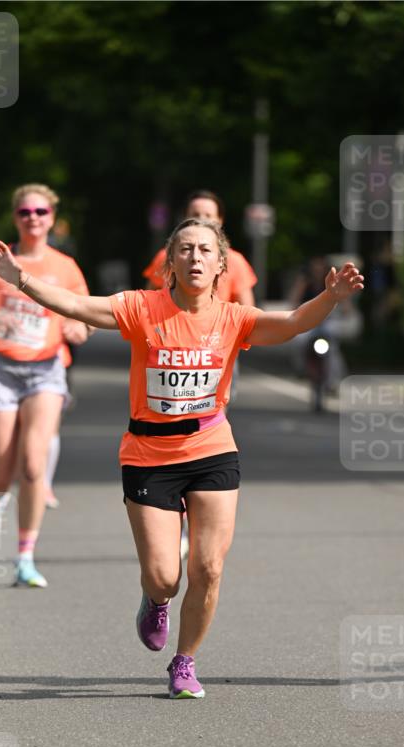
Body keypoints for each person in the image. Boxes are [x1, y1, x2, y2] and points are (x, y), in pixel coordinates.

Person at [0, 218, 363, 697]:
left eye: (205, 250)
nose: (195, 257)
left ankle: (185, 662)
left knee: (209, 568)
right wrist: (21, 278)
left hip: (212, 449)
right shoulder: (142, 307)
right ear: (170, 262)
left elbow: (291, 324)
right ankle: (156, 599)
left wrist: (329, 297)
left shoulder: (233, 318)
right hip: (148, 454)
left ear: (221, 264)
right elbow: (79, 305)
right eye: (185, 249)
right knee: (165, 576)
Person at [0, 183, 91, 588]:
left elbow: (84, 315)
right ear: (16, 218)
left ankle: (25, 559)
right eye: (25, 212)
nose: (33, 218)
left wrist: (78, 328)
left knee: (34, 465)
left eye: (40, 211)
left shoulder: (65, 267)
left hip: (45, 370)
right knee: (0, 471)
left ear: (52, 217)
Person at [145, 189, 257, 556]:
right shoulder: (169, 255)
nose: (204, 219)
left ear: (221, 222)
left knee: (207, 425)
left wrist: (236, 332)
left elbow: (249, 307)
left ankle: (200, 511)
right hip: (171, 355)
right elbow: (148, 302)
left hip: (217, 354)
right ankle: (172, 513)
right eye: (196, 213)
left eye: (210, 215)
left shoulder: (235, 261)